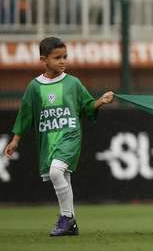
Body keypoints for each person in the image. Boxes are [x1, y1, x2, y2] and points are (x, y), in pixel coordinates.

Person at [3, 37, 115, 236]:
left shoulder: (73, 83)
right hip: (49, 140)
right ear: (43, 60)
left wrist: (100, 101)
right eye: (57, 58)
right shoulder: (34, 87)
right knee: (63, 176)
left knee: (56, 172)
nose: (63, 61)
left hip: (70, 136)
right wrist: (15, 140)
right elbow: (25, 115)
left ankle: (66, 218)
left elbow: (87, 106)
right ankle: (70, 223)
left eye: (65, 57)